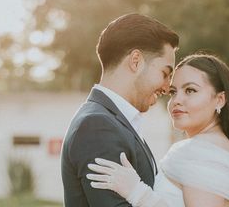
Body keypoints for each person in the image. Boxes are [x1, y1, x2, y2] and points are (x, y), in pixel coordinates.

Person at [86, 53, 229, 207]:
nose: (177, 100)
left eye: (190, 90)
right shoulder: (213, 146)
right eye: (173, 92)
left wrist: (137, 193)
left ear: (220, 100)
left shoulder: (204, 150)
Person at [60, 13, 179, 207]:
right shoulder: (97, 127)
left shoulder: (115, 121)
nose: (167, 87)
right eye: (165, 74)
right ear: (136, 61)